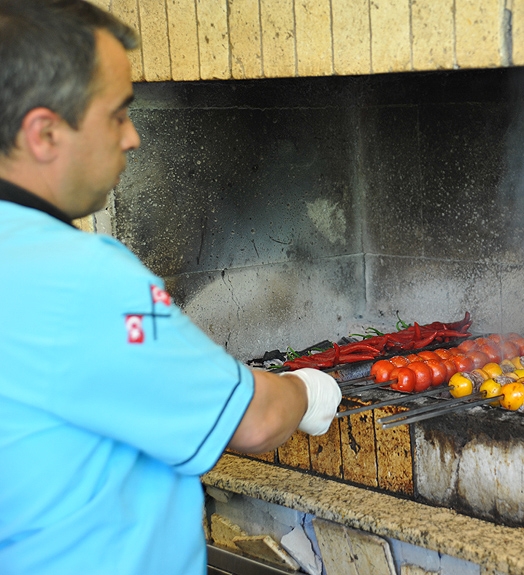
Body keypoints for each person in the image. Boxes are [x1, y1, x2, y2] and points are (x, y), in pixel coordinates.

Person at [0, 1, 342, 573]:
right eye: (117, 114)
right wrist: (309, 391)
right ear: (44, 133)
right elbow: (254, 422)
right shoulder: (80, 279)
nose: (132, 138)